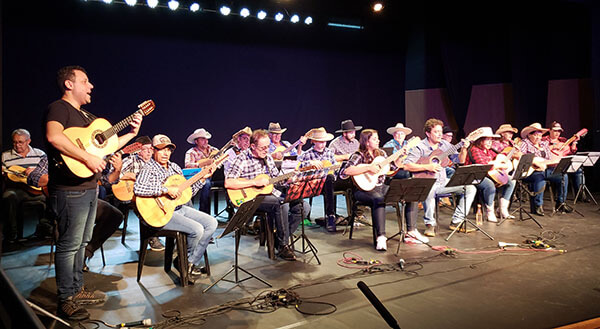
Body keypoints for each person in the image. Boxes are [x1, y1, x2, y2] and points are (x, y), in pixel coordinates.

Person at [44, 65, 143, 320]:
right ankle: (66, 299)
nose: (91, 86)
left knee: (81, 243)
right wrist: (87, 158)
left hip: (88, 188)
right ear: (69, 84)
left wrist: (132, 133)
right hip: (69, 190)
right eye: (85, 81)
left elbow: (107, 145)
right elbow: (54, 137)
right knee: (69, 245)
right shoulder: (59, 108)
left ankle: (77, 289)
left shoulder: (87, 117)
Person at [134, 134, 218, 281]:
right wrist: (165, 190)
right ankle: (184, 263)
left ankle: (189, 262)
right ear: (154, 150)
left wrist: (202, 179)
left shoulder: (174, 167)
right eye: (161, 150)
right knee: (197, 229)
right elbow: (138, 189)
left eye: (168, 150)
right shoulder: (149, 168)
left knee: (212, 223)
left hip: (179, 208)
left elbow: (187, 193)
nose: (165, 153)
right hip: (161, 213)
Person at [27, 156, 124, 272]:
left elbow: (106, 180)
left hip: (89, 200)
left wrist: (117, 170)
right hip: (63, 202)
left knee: (114, 215)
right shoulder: (54, 155)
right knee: (68, 225)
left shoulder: (93, 155)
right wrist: (67, 178)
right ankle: (69, 266)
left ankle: (85, 253)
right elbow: (33, 178)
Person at [225, 129, 310, 261]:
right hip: (251, 198)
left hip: (271, 194)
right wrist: (254, 182)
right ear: (252, 146)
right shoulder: (241, 159)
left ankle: (280, 239)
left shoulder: (267, 157)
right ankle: (283, 246)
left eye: (268, 147)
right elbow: (228, 182)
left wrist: (289, 178)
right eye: (263, 147)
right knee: (281, 203)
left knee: (303, 206)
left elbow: (276, 178)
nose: (266, 150)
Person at [341, 129, 414, 251]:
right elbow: (346, 171)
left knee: (408, 193)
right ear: (367, 142)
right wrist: (368, 168)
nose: (378, 141)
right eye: (374, 139)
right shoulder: (358, 155)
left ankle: (411, 230)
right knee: (379, 199)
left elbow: (393, 168)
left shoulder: (381, 154)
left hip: (380, 187)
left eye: (378, 138)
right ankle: (381, 237)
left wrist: (400, 156)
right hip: (362, 191)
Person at [403, 118, 476, 237]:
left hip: (443, 182)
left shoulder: (445, 144)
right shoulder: (419, 147)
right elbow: (407, 165)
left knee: (470, 188)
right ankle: (430, 224)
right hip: (427, 182)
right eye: (436, 132)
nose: (440, 134)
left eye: (440, 132)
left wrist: (464, 148)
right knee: (429, 189)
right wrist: (428, 166)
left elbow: (460, 160)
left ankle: (457, 220)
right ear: (428, 133)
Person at [118, 135, 165, 251]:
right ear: (138, 151)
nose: (149, 152)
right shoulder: (130, 160)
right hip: (135, 195)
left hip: (152, 194)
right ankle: (151, 236)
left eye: (151, 149)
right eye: (145, 149)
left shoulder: (155, 163)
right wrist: (133, 176)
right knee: (145, 206)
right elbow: (116, 175)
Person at [1, 128, 47, 246]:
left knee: (53, 198)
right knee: (8, 196)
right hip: (17, 189)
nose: (17, 145)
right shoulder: (5, 156)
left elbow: (47, 173)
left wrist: (35, 171)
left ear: (28, 141)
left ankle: (45, 230)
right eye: (15, 142)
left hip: (36, 189)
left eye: (20, 142)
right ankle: (12, 235)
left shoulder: (40, 154)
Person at [465, 127, 516, 221]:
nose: (490, 142)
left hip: (489, 174)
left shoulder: (490, 150)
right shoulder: (474, 149)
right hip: (475, 175)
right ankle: (490, 211)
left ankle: (502, 209)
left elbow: (501, 160)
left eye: (491, 140)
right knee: (489, 185)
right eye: (487, 140)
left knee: (512, 181)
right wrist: (497, 165)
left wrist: (502, 162)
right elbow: (484, 166)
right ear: (480, 140)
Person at [520, 123, 570, 215]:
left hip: (544, 169)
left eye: (540, 135)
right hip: (530, 172)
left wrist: (555, 161)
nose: (538, 137)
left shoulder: (544, 144)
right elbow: (518, 155)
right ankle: (537, 206)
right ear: (529, 135)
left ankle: (560, 203)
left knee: (563, 176)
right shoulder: (525, 143)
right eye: (536, 135)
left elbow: (549, 159)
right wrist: (534, 162)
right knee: (540, 177)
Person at [297, 127, 338, 232]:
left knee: (329, 178)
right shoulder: (307, 154)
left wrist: (335, 169)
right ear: (313, 141)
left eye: (324, 142)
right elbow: (298, 166)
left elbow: (334, 167)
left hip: (327, 183)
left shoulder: (329, 153)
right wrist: (310, 164)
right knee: (328, 181)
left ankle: (330, 216)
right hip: (313, 184)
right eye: (320, 142)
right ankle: (330, 216)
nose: (322, 144)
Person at [542, 121, 584, 201]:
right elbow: (542, 149)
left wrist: (574, 143)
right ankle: (561, 201)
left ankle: (580, 195)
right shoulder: (544, 140)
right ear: (549, 130)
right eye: (555, 131)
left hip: (564, 164)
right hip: (552, 166)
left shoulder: (563, 140)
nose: (557, 133)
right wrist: (554, 146)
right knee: (563, 176)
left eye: (559, 131)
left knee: (579, 170)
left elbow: (571, 152)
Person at [185, 128, 218, 214]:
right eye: (203, 139)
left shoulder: (213, 150)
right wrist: (202, 163)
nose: (206, 141)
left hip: (215, 176)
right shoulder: (191, 152)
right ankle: (204, 213)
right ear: (196, 141)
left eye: (206, 139)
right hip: (199, 178)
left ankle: (232, 211)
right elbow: (188, 166)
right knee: (206, 183)